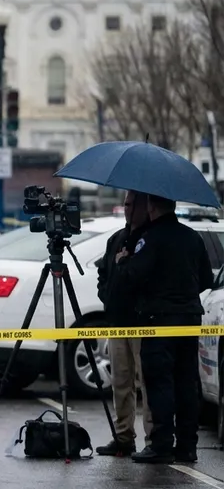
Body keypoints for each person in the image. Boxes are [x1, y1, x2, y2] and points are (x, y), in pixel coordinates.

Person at [112, 193, 213, 464]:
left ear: (152, 206)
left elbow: (133, 276)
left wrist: (123, 261)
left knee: (160, 382)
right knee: (187, 382)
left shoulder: (151, 238)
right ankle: (187, 446)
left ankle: (161, 444)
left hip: (159, 321)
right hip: (190, 319)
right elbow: (206, 279)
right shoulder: (193, 237)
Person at [95, 190, 154, 456]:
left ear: (145, 207)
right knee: (121, 381)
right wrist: (106, 295)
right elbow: (104, 273)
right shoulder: (116, 239)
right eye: (126, 204)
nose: (128, 209)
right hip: (117, 321)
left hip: (143, 322)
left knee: (148, 382)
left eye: (132, 205)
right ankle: (123, 436)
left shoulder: (151, 239)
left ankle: (153, 439)